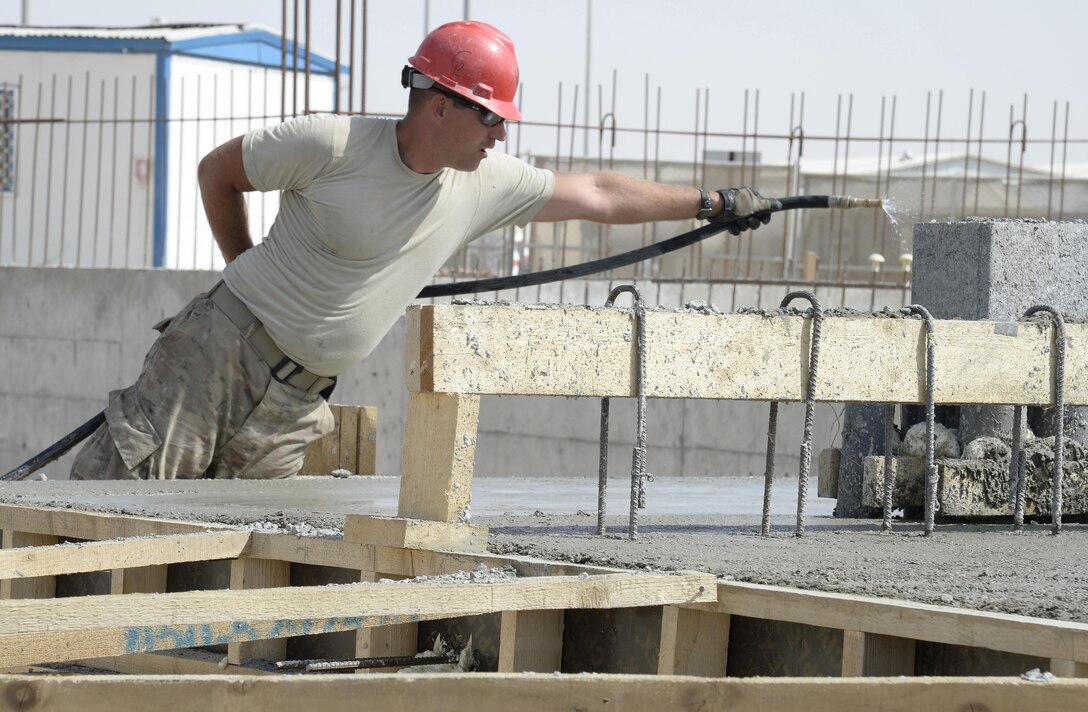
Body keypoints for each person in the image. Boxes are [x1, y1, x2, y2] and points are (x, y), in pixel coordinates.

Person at [70, 20, 779, 480]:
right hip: (218, 356)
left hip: (294, 402)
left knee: (236, 556)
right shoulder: (332, 144)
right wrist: (243, 278)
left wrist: (711, 203)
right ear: (441, 104)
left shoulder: (485, 184)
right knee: (116, 517)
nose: (499, 137)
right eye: (490, 118)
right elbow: (215, 174)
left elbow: (597, 193)